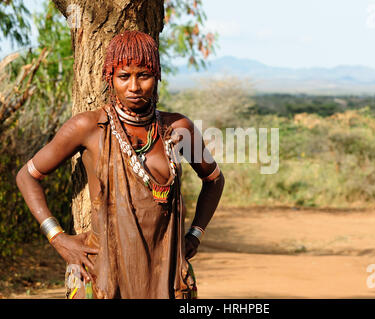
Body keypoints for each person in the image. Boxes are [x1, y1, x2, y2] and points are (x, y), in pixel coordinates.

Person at [16, 30, 225, 299]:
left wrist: (195, 234)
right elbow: (27, 176)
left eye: (144, 75)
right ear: (110, 78)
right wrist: (57, 238)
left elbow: (214, 180)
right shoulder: (89, 127)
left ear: (157, 76)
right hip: (103, 278)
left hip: (169, 278)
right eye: (124, 76)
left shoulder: (177, 128)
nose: (134, 87)